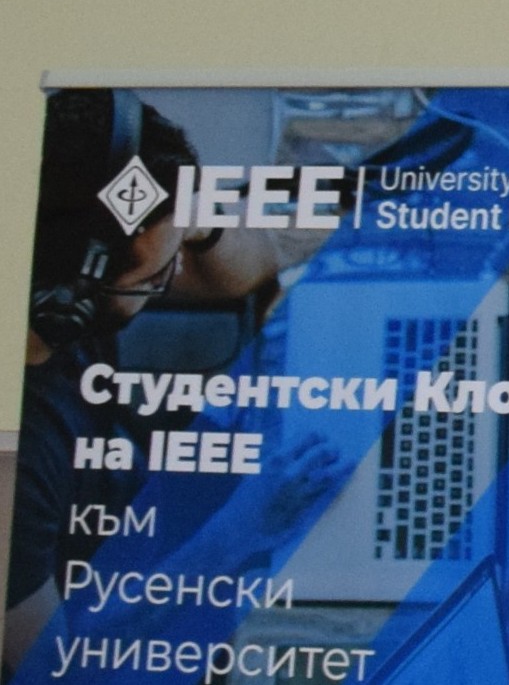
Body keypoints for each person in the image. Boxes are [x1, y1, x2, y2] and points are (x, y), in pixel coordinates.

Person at [7, 91, 340, 672]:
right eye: (157, 277)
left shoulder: (56, 260)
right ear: (70, 299)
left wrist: (191, 221)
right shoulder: (15, 466)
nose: (181, 271)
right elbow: (56, 665)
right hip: (114, 610)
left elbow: (239, 271)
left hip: (126, 510)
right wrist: (236, 535)